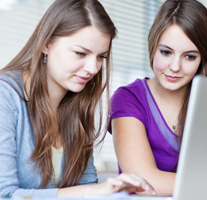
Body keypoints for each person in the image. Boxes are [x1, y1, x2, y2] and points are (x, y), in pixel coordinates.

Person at [0, 0, 156, 198]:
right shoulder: (5, 95)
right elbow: (4, 195)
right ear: (46, 43)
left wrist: (113, 190)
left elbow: (87, 187)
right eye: (80, 53)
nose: (93, 68)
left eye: (101, 57)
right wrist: (97, 190)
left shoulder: (77, 104)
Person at [109, 0, 207, 196]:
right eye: (166, 52)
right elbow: (142, 182)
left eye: (189, 56)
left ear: (202, 58)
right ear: (153, 46)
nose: (175, 66)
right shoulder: (128, 98)